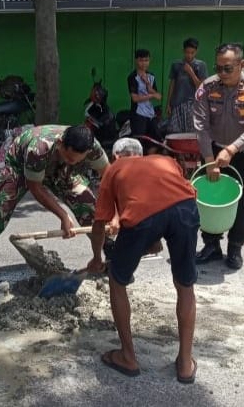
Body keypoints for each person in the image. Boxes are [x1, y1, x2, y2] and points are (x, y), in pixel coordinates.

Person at [0, 124, 116, 295]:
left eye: (77, 159)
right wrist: (63, 215)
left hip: (61, 171)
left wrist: (115, 214)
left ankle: (111, 260)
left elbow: (109, 179)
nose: (73, 160)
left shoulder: (92, 147)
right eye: (69, 157)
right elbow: (36, 187)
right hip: (19, 166)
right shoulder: (38, 148)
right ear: (61, 143)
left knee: (91, 209)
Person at [85, 137, 199, 382]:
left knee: (117, 280)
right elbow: (165, 204)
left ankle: (127, 356)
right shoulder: (165, 161)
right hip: (186, 208)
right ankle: (185, 364)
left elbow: (99, 224)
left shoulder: (113, 170)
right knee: (185, 285)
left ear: (116, 156)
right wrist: (153, 239)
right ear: (141, 153)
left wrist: (97, 258)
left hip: (144, 218)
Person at [192, 42, 244, 270]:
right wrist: (209, 159)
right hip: (213, 149)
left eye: (228, 68)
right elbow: (201, 125)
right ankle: (211, 246)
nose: (222, 73)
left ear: (241, 64)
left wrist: (231, 149)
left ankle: (235, 248)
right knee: (208, 200)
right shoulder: (206, 88)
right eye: (219, 68)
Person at [166, 38, 208, 134]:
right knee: (174, 132)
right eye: (187, 52)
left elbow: (201, 87)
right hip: (177, 104)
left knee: (191, 133)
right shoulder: (176, 65)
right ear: (183, 51)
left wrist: (191, 72)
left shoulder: (201, 65)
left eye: (192, 53)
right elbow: (172, 85)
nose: (189, 55)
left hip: (192, 105)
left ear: (196, 52)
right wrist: (168, 103)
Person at [127, 48, 162, 147]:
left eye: (146, 60)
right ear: (136, 61)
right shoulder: (132, 77)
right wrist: (151, 95)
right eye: (141, 60)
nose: (144, 63)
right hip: (138, 114)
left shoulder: (151, 76)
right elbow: (135, 98)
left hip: (150, 114)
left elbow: (158, 96)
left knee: (155, 142)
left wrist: (147, 83)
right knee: (139, 143)